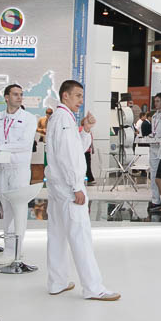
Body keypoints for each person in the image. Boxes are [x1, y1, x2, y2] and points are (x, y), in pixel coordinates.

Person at [45, 80, 118, 301]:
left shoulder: (60, 118)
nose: (80, 100)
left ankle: (57, 282)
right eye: (77, 95)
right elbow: (68, 156)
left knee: (57, 235)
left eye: (81, 96)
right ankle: (93, 288)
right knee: (81, 237)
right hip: (68, 188)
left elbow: (76, 148)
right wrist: (77, 186)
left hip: (58, 186)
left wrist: (86, 129)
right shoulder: (63, 119)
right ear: (65, 96)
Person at [0, 84, 39, 263]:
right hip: (1, 168)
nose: (19, 97)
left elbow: (25, 144)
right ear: (6, 97)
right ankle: (9, 249)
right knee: (6, 210)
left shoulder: (29, 118)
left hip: (18, 168)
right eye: (15, 94)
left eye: (21, 94)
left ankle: (15, 250)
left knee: (18, 209)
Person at [147, 93, 161, 212]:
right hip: (153, 147)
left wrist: (160, 139)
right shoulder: (154, 116)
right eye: (155, 101)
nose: (156, 103)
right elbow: (154, 131)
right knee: (153, 175)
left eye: (158, 101)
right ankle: (155, 200)